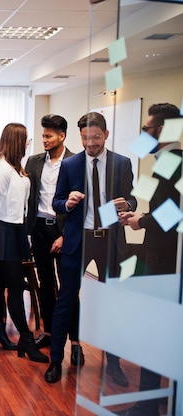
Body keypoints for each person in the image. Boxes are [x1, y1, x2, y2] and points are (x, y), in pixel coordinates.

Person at [45, 112, 136, 384]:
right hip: (78, 239)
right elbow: (57, 203)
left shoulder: (122, 163)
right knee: (65, 301)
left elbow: (131, 198)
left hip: (110, 240)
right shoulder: (71, 164)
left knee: (111, 303)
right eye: (85, 138)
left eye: (96, 137)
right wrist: (68, 203)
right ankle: (55, 361)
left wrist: (127, 205)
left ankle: (114, 364)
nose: (91, 143)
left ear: (106, 135)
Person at [117, 102, 182, 416]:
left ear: (164, 130)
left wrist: (141, 222)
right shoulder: (168, 161)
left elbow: (173, 214)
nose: (142, 134)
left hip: (164, 259)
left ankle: (146, 406)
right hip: (163, 255)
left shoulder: (172, 161)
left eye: (147, 129)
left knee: (154, 334)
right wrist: (141, 214)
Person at [0, 123, 48, 363]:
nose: (28, 144)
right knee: (14, 284)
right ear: (16, 141)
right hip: (2, 229)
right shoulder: (1, 169)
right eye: (25, 140)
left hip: (15, 228)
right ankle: (26, 337)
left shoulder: (15, 167)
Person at [24, 115, 75, 350]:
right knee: (45, 283)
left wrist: (65, 235)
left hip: (64, 231)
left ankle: (75, 342)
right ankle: (48, 332)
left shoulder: (76, 162)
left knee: (68, 287)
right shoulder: (33, 162)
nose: (44, 140)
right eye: (43, 135)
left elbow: (81, 205)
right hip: (39, 229)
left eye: (49, 136)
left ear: (62, 136)